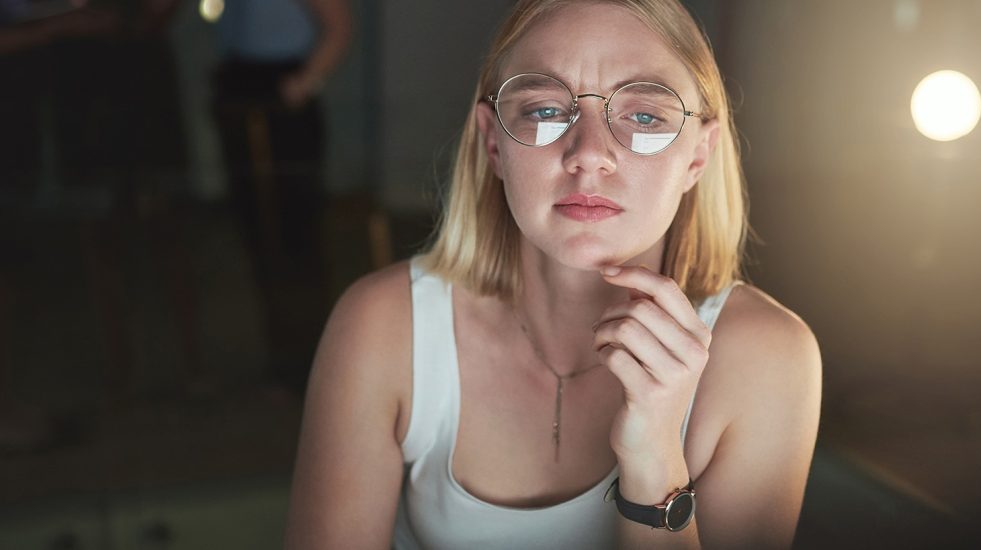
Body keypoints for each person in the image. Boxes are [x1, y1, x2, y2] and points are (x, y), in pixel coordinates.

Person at [284, 1, 821, 548]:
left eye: (644, 116)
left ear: (698, 158)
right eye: (544, 110)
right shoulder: (384, 325)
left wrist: (654, 456)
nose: (589, 155)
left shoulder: (767, 357)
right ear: (494, 143)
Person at [210, 0, 352, 397]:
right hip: (240, 84)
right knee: (257, 227)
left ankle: (312, 357)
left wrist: (304, 82)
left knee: (295, 229)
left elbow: (338, 27)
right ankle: (281, 352)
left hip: (281, 93)